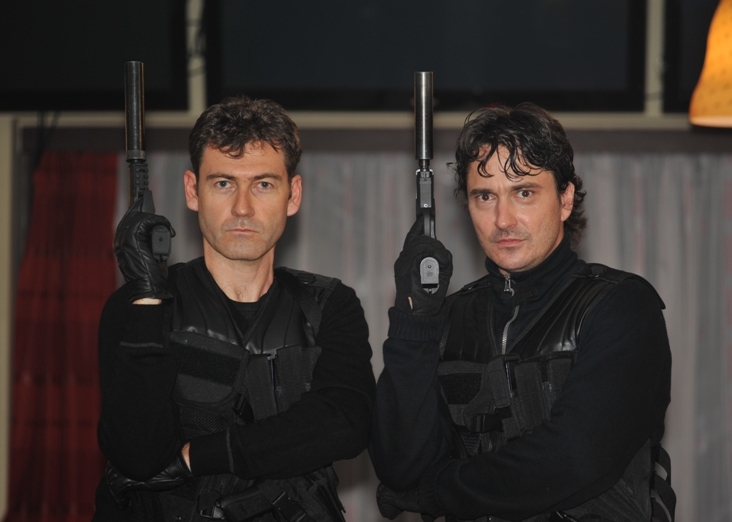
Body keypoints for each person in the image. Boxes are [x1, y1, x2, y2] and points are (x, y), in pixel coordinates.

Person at [370, 103, 675, 522]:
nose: (503, 219)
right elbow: (399, 467)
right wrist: (414, 323)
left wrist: (437, 492)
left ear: (565, 199)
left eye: (524, 193)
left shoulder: (621, 306)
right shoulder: (449, 319)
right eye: (485, 196)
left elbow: (571, 460)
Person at [94, 97, 376, 522]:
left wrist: (193, 457)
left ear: (293, 195)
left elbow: (346, 423)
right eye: (224, 183)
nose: (243, 207)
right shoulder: (139, 306)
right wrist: (147, 299)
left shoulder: (328, 305)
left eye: (263, 184)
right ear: (193, 191)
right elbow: (137, 455)